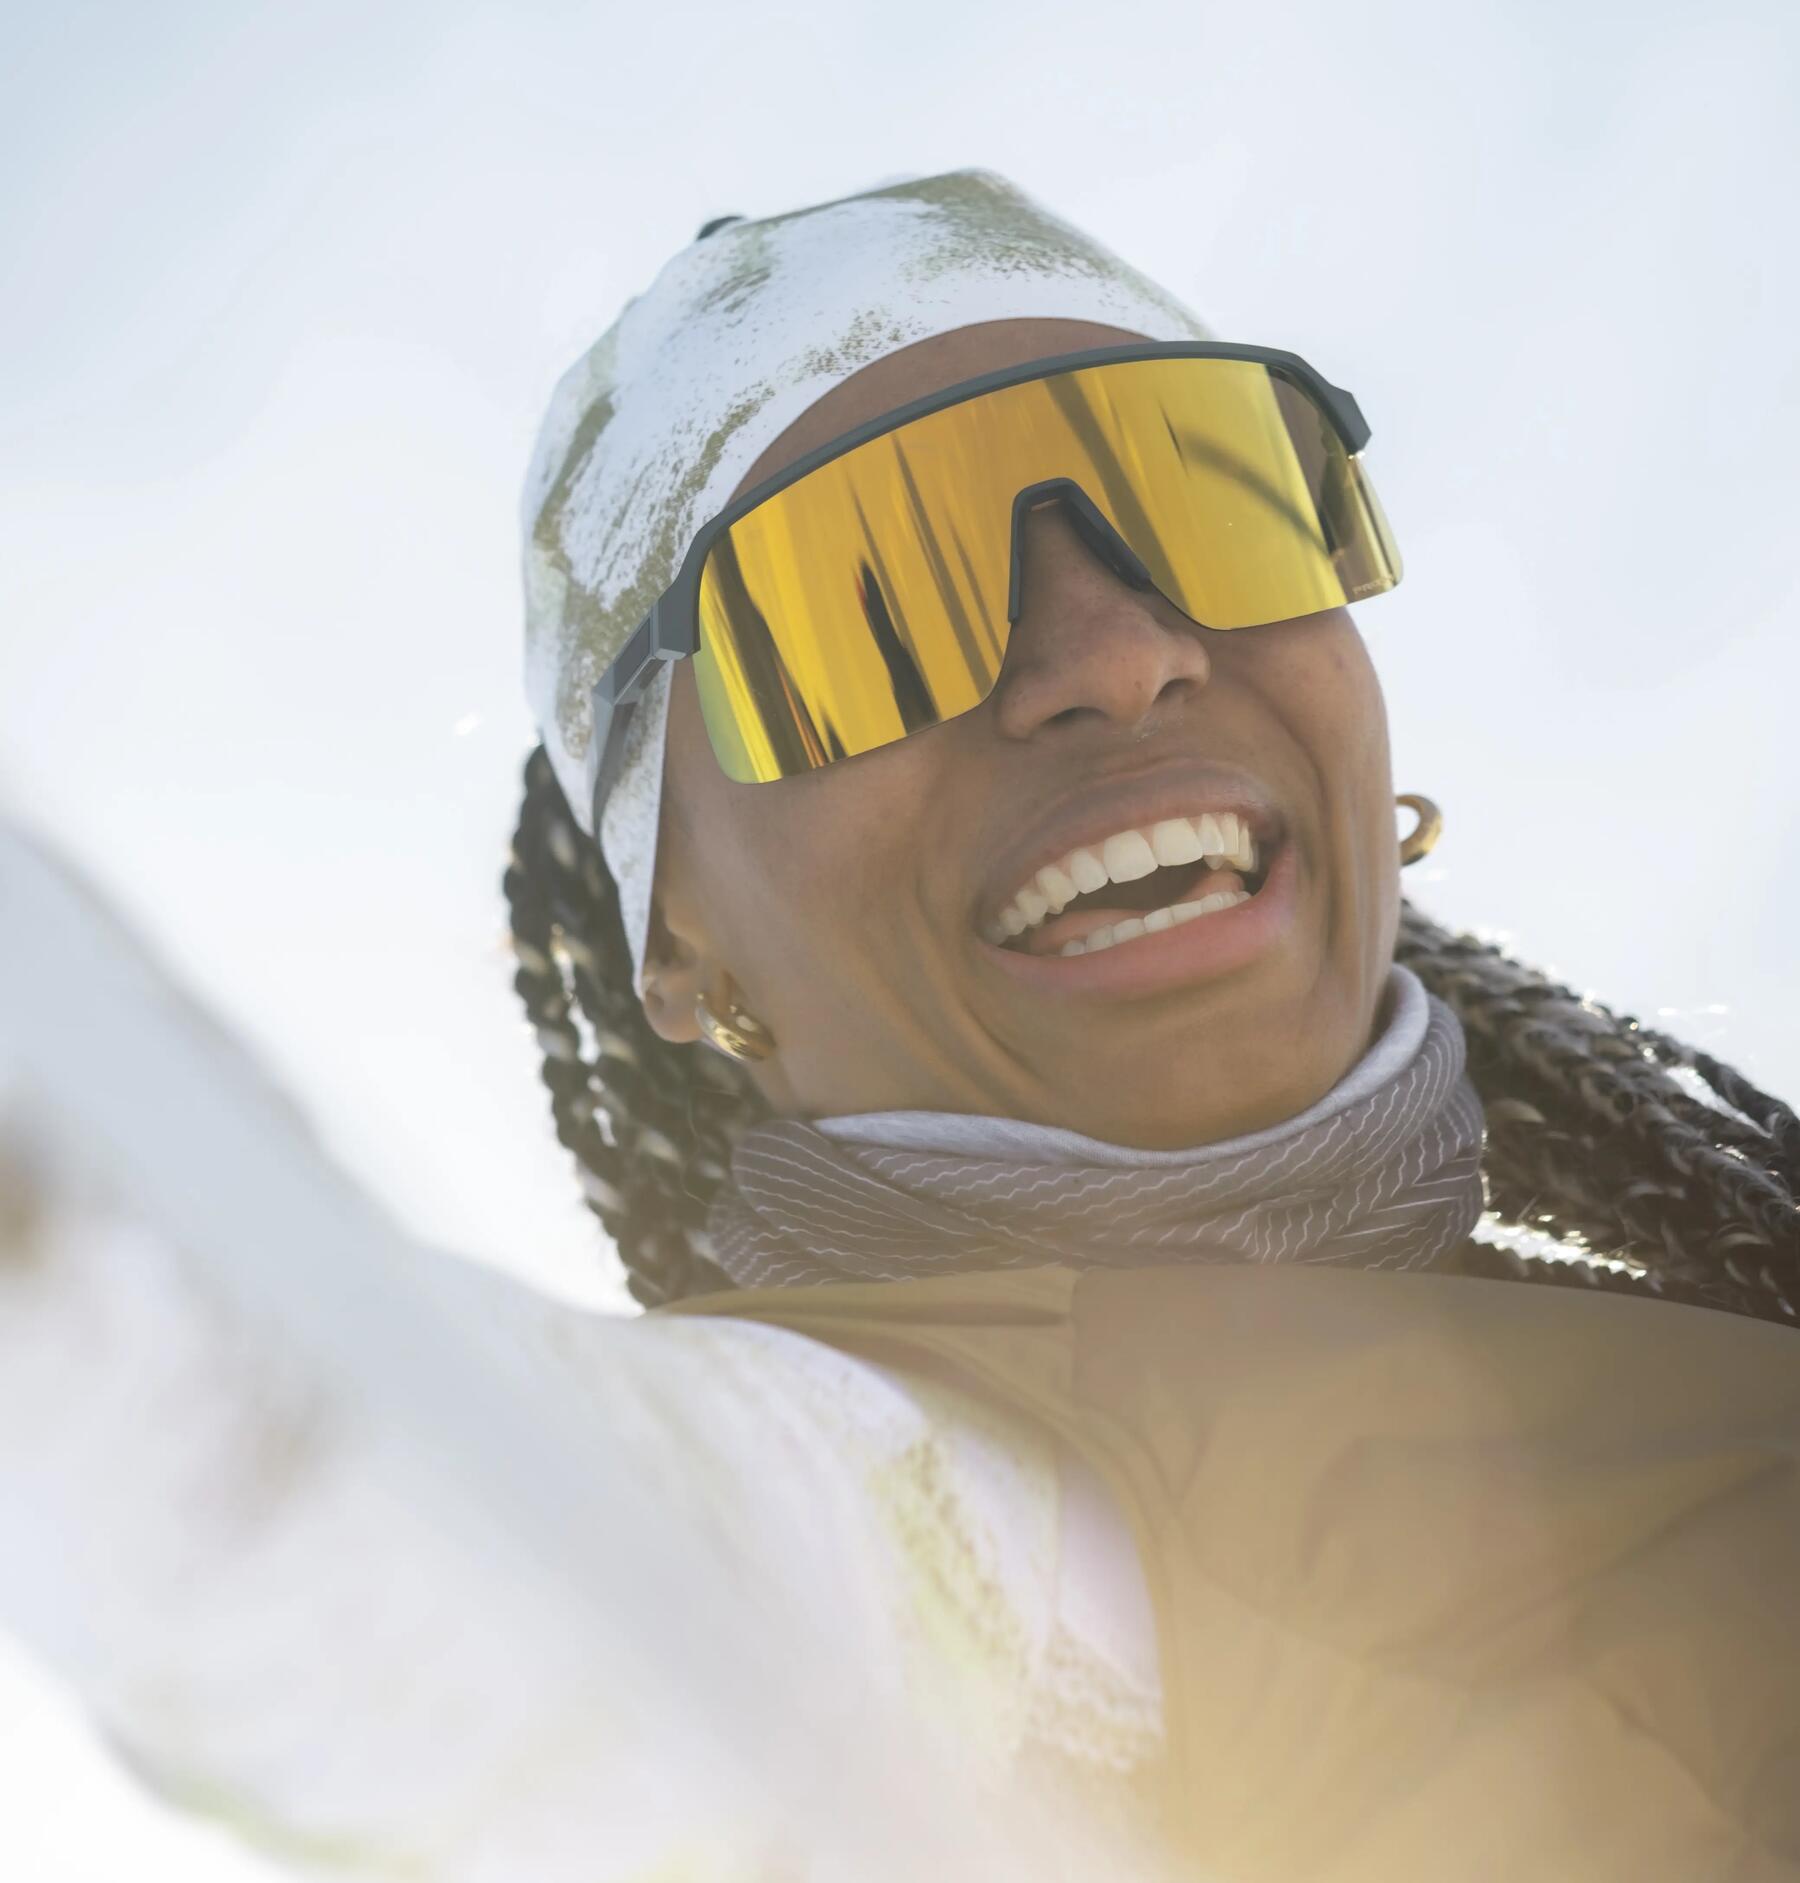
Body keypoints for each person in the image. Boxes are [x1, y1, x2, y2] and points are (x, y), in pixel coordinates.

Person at [2, 168, 1797, 1881]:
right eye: (859, 602)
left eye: (1209, 496)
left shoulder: (1683, 1316)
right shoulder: (1000, 1513)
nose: (1113, 648)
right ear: (684, 947)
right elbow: (394, 1558)